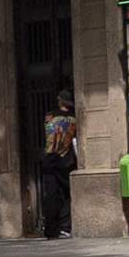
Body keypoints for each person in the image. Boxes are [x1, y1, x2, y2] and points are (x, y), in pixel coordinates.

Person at [38, 93, 79, 240]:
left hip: (49, 159)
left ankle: (51, 230)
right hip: (65, 160)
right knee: (69, 193)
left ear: (60, 100)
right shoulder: (74, 118)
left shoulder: (49, 116)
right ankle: (64, 226)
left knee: (51, 196)